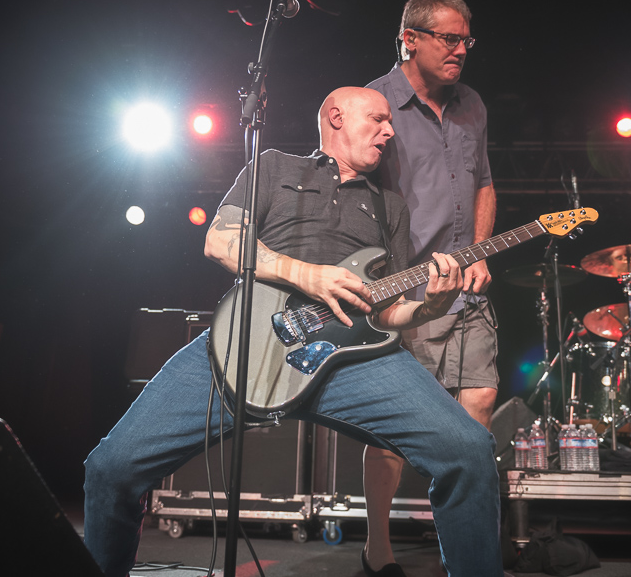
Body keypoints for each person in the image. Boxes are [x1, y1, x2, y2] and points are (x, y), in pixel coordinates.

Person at [82, 87, 503, 577]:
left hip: (354, 361)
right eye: (379, 119)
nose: (391, 131)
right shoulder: (275, 166)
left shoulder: (390, 205)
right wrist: (308, 275)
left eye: (391, 122)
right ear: (336, 116)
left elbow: (384, 314)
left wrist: (432, 304)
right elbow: (220, 242)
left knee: (469, 451)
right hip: (248, 340)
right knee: (110, 469)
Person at [362, 0, 498, 575]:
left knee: (480, 401)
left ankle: (462, 551)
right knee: (393, 430)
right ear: (410, 38)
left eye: (467, 40)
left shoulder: (472, 106)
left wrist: (479, 252)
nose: (461, 50)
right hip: (405, 292)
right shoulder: (375, 103)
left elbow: (484, 184)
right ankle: (377, 548)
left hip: (466, 287)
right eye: (449, 38)